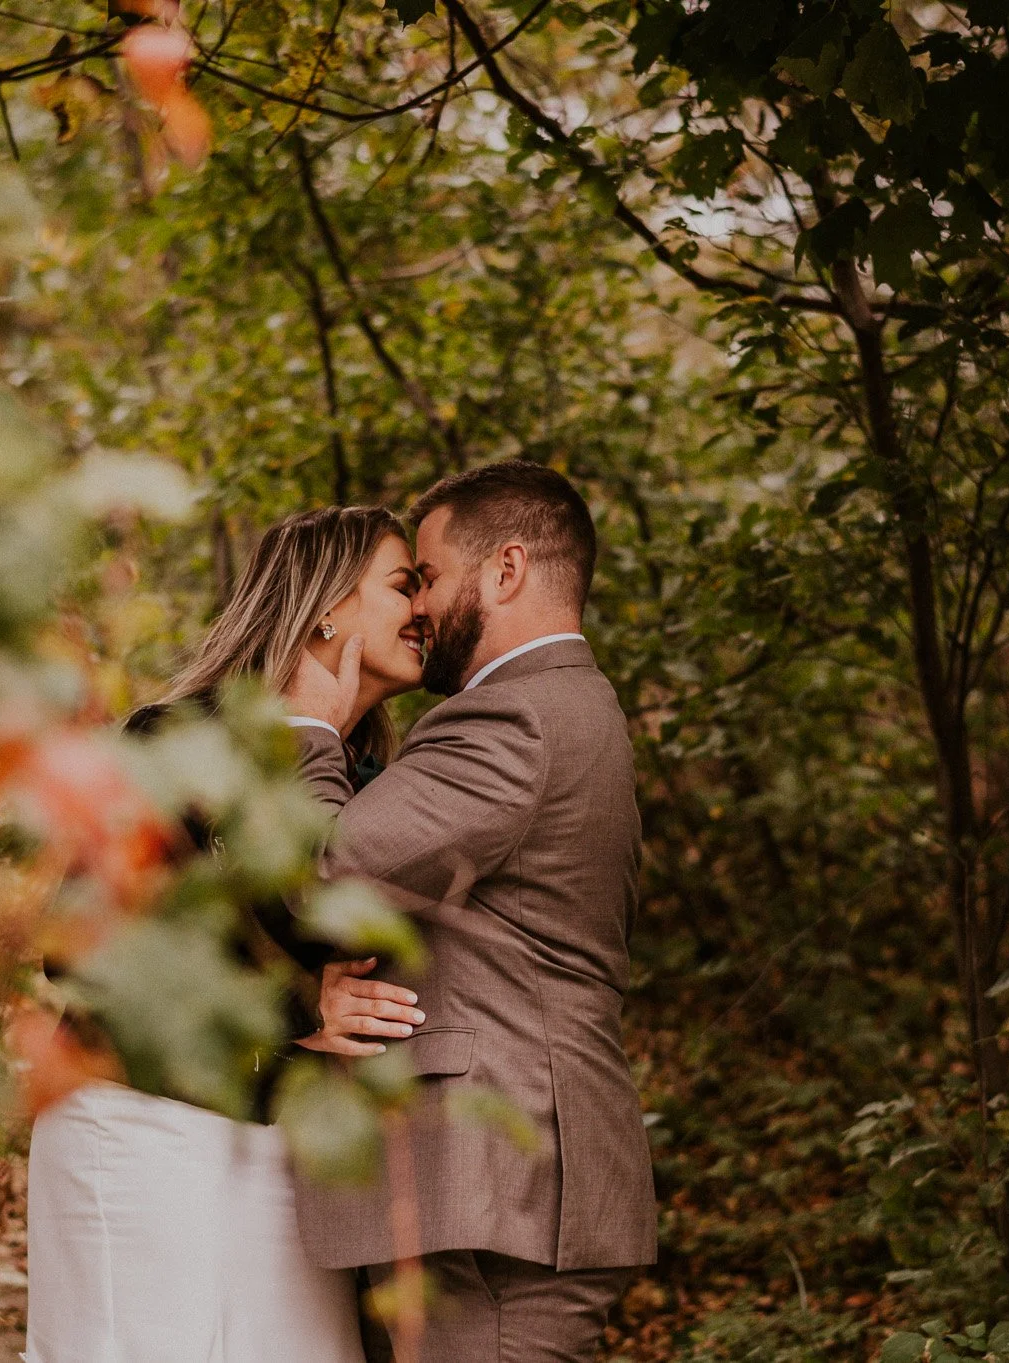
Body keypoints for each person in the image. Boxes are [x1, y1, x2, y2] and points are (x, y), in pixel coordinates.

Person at [24, 506, 431, 1363]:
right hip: (142, 1129)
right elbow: (76, 949)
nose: (427, 604)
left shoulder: (367, 784)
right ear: (327, 606)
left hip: (287, 1156)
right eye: (405, 583)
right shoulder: (179, 737)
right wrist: (294, 1004)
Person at [285, 461, 658, 1362]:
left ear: (506, 571)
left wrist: (308, 730)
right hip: (509, 1194)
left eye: (431, 575)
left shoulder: (513, 718)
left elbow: (332, 872)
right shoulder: (574, 709)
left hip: (500, 1198)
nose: (419, 606)